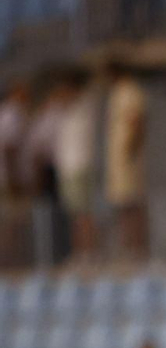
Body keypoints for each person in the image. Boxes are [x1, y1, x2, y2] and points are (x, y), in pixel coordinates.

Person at [104, 60, 147, 258]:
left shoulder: (130, 91)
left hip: (128, 158)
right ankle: (128, 247)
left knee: (132, 203)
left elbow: (136, 122)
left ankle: (136, 248)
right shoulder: (117, 92)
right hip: (120, 159)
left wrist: (129, 151)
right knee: (123, 205)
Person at [55, 69, 96, 259]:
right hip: (68, 167)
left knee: (82, 213)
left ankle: (87, 252)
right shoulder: (68, 108)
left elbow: (66, 99)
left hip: (78, 164)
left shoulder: (83, 102)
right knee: (74, 214)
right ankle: (80, 252)